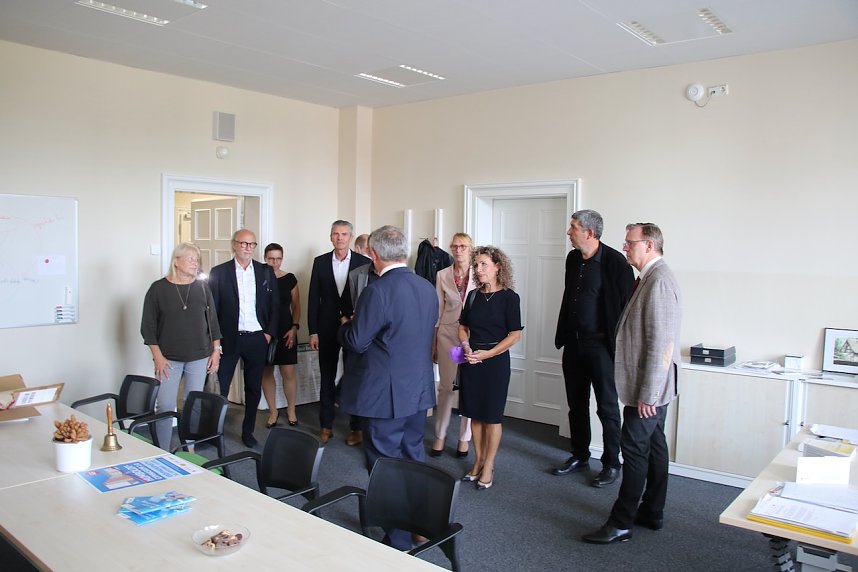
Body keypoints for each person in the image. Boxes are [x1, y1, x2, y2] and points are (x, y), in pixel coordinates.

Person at [337, 225, 438, 550]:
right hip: (418, 389)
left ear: (374, 255)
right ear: (405, 253)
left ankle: (398, 541)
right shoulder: (426, 287)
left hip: (385, 395)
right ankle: (420, 524)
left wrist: (346, 326)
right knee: (413, 458)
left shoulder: (377, 291)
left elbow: (357, 341)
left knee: (384, 466)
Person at [583, 222, 682, 544]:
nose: (625, 247)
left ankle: (621, 521)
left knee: (635, 450)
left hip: (649, 390)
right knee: (655, 447)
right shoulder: (649, 279)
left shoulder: (660, 281)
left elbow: (662, 345)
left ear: (649, 245)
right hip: (650, 387)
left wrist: (649, 395)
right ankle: (652, 512)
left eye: (630, 242)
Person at [552, 210, 634, 487]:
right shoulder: (573, 259)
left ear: (589, 232)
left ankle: (612, 463)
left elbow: (625, 310)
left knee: (608, 408)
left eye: (573, 227)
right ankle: (580, 455)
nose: (568, 231)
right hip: (574, 343)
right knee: (576, 405)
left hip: (601, 346)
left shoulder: (616, 263)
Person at [141, 242, 222, 450]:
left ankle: (190, 447)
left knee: (192, 403)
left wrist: (216, 350)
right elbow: (148, 328)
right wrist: (157, 356)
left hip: (199, 355)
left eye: (197, 260)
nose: (196, 264)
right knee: (166, 405)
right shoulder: (158, 289)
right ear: (176, 262)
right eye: (191, 259)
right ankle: (162, 450)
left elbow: (212, 322)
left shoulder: (203, 288)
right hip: (168, 358)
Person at [457, 246, 523, 490]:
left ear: (498, 267)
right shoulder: (473, 296)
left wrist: (490, 353)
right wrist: (465, 346)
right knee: (474, 414)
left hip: (495, 362)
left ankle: (489, 465)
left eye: (484, 264)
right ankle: (477, 461)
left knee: (492, 417)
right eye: (476, 265)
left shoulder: (509, 297)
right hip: (472, 359)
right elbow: (462, 326)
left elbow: (515, 335)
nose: (478, 269)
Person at [208, 229, 280, 448]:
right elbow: (212, 310)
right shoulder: (219, 272)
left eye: (252, 244)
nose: (247, 248)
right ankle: (214, 431)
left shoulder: (265, 271)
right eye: (243, 243)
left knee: (252, 388)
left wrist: (268, 333)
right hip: (229, 339)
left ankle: (248, 431)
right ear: (234, 245)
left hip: (257, 338)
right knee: (221, 387)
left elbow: (275, 306)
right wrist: (215, 342)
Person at [307, 220, 371, 444]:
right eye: (336, 234)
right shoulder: (320, 262)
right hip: (326, 328)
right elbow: (314, 298)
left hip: (354, 328)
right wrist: (313, 331)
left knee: (355, 377)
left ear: (351, 237)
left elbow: (369, 296)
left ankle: (357, 428)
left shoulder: (364, 262)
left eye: (344, 234)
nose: (340, 238)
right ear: (330, 236)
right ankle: (326, 425)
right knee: (327, 376)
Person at [430, 233, 475, 458]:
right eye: (455, 246)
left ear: (470, 249)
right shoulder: (442, 275)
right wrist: (434, 343)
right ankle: (440, 435)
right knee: (446, 387)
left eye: (463, 246)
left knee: (468, 387)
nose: (459, 250)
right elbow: (438, 310)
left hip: (472, 336)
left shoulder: (481, 273)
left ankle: (464, 438)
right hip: (448, 334)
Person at [260, 242, 301, 428]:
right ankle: (273, 411)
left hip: (286, 330)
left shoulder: (290, 278)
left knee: (288, 372)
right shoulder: (258, 277)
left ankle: (291, 409)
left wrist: (294, 328)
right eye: (271, 258)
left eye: (278, 258)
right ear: (265, 258)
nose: (274, 262)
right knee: (266, 372)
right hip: (264, 330)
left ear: (282, 259)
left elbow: (297, 305)